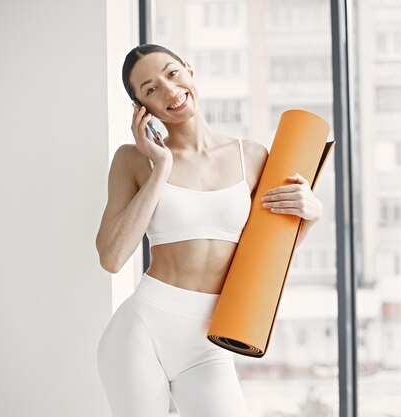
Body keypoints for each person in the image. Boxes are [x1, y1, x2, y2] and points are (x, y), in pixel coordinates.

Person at [95, 44, 323, 417]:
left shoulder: (251, 156)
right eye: (150, 89)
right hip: (141, 331)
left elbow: (266, 258)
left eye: (172, 74)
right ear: (141, 109)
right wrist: (161, 167)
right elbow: (112, 257)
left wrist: (310, 216)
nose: (169, 91)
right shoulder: (134, 160)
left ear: (190, 71)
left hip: (207, 345)